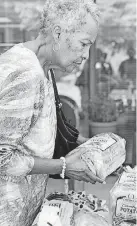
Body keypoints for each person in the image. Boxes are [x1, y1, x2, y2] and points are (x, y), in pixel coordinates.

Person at [0, 0, 103, 225]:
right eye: (84, 43)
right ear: (58, 33)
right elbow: (2, 157)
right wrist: (64, 166)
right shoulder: (25, 74)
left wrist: (88, 144)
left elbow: (37, 131)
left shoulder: (44, 69)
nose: (86, 55)